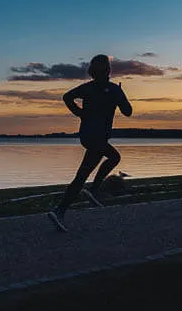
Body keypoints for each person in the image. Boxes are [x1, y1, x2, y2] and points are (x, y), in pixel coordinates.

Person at [47, 54, 132, 232]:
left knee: (111, 158)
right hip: (95, 137)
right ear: (107, 71)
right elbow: (128, 111)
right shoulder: (111, 89)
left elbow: (67, 97)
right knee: (85, 173)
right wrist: (80, 112)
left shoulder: (92, 88)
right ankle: (62, 209)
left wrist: (79, 112)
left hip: (89, 136)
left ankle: (90, 192)